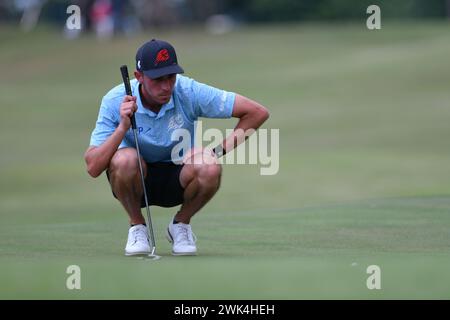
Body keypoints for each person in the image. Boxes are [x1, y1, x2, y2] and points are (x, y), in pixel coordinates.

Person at [84, 39, 269, 256]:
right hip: (135, 179)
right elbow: (93, 167)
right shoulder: (114, 100)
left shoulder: (188, 91)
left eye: (170, 77)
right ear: (139, 77)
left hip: (179, 175)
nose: (166, 86)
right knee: (124, 160)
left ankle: (180, 225)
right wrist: (123, 126)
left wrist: (215, 151)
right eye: (157, 79)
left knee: (209, 166)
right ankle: (137, 226)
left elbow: (257, 112)